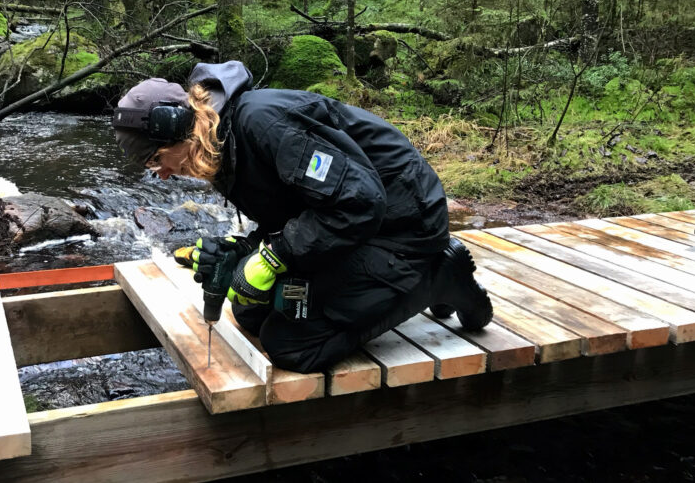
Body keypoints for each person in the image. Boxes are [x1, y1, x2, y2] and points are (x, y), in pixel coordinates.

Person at [112, 60, 492, 374]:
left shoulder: (264, 124)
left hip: (404, 227)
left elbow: (357, 202)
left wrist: (273, 257)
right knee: (250, 312)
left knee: (290, 345)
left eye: (154, 159)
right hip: (361, 223)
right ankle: (410, 282)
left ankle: (437, 276)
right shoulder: (222, 141)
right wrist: (243, 248)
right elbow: (297, 210)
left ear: (176, 126)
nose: (159, 173)